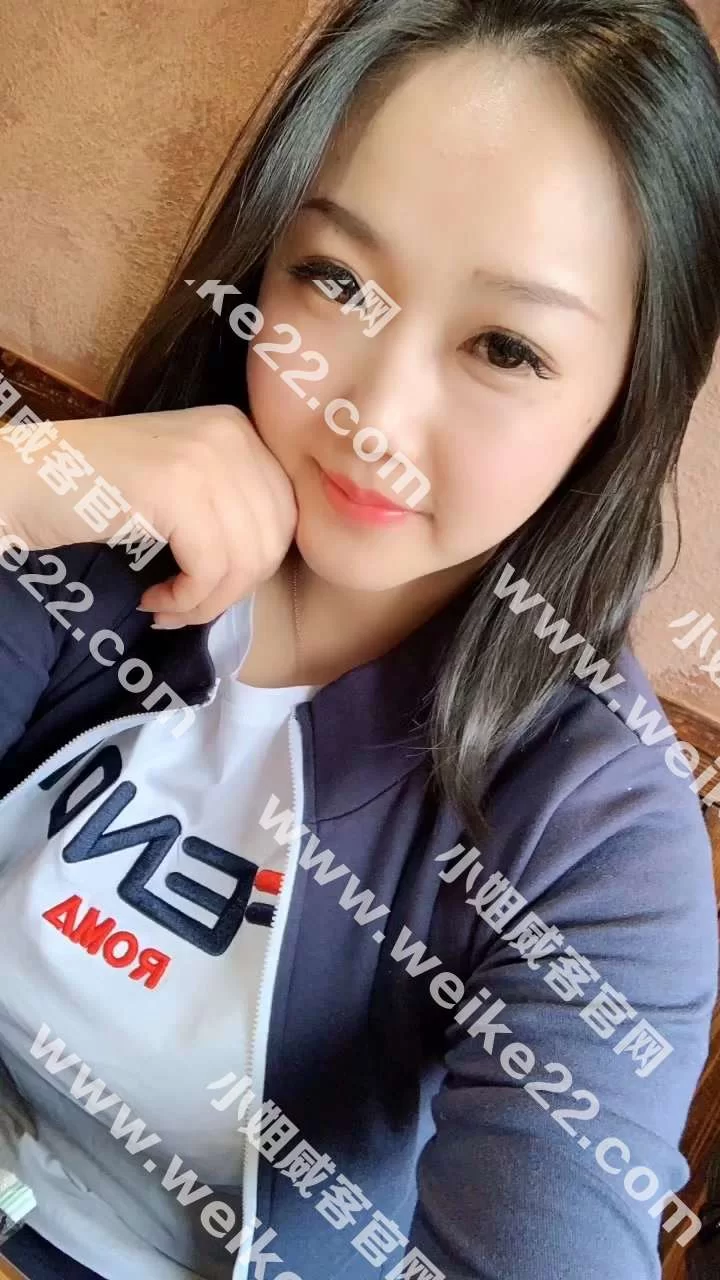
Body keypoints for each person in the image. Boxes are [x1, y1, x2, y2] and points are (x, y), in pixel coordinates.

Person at [0, 0, 719, 1277]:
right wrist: (26, 481)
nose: (371, 414)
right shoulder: (97, 534)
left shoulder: (598, 832)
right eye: (335, 281)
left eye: (505, 347)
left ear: (624, 398)